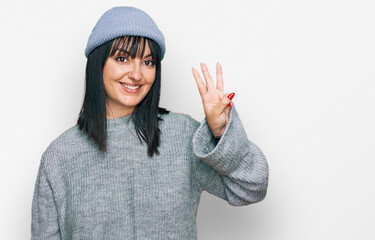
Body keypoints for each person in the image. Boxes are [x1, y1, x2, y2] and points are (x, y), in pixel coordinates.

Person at [31, 6, 269, 240]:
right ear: (98, 63)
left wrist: (220, 133)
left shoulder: (182, 136)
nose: (136, 74)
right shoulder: (59, 157)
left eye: (148, 62)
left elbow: (253, 186)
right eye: (123, 58)